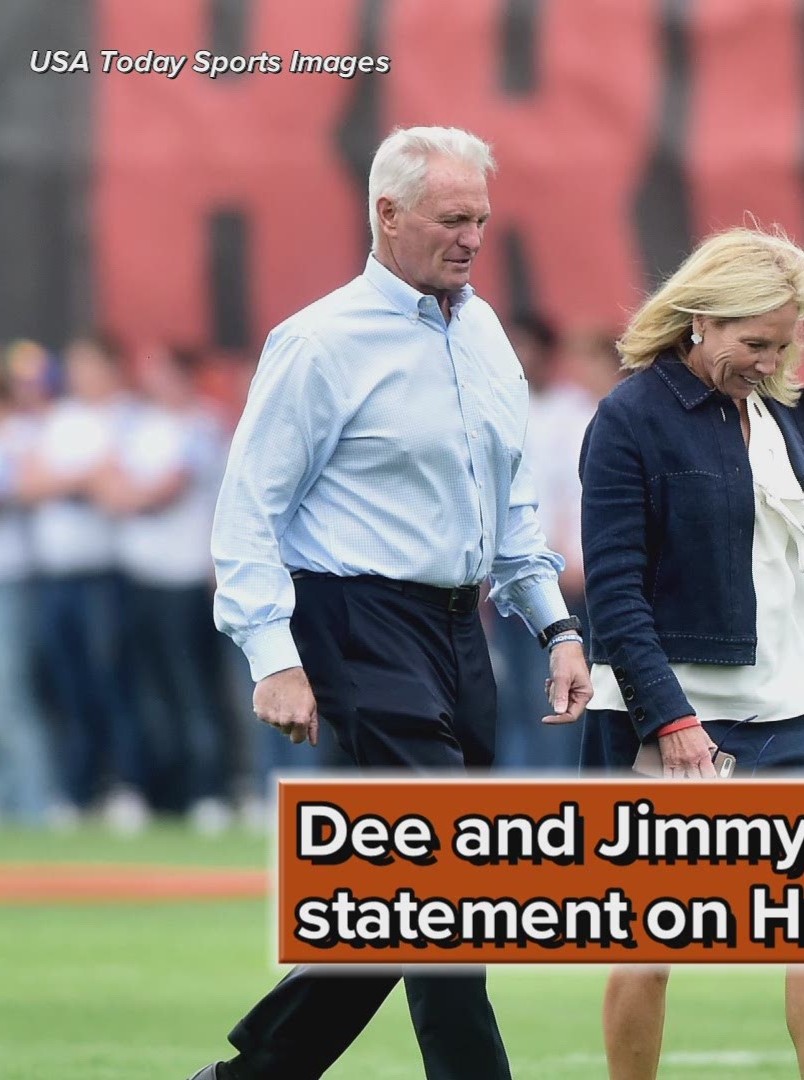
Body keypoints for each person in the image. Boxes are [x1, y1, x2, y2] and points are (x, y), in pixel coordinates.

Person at [191, 125, 592, 1080]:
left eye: (483, 221)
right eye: (454, 219)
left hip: (463, 630)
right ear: (387, 214)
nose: (472, 239)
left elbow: (512, 501)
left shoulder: (486, 330)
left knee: (412, 895)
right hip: (357, 621)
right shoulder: (319, 342)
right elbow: (248, 508)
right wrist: (272, 656)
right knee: (449, 886)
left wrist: (555, 623)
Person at [577, 225, 804, 1080]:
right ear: (699, 320)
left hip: (783, 709)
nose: (770, 359)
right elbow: (614, 590)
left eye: (784, 343)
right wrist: (668, 716)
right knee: (650, 944)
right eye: (755, 342)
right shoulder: (627, 417)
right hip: (668, 715)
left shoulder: (780, 411)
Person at [17, 334, 147, 828]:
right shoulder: (59, 420)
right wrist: (81, 478)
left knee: (112, 681)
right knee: (67, 685)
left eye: (88, 365)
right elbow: (28, 486)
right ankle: (77, 788)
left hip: (103, 572)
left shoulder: (129, 418)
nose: (78, 375)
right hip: (56, 574)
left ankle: (128, 786)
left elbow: (118, 493)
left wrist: (65, 480)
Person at [102, 344, 230, 827]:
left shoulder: (202, 425)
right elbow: (104, 480)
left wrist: (131, 494)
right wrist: (131, 492)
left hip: (182, 574)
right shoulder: (136, 424)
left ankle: (208, 790)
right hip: (137, 571)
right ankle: (154, 791)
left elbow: (167, 488)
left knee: (190, 686)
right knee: (142, 687)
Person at [488, 314, 606, 771]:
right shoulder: (498, 409)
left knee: (561, 688)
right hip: (509, 578)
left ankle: (557, 793)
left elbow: (573, 494)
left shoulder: (574, 412)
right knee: (515, 691)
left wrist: (575, 558)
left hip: (563, 577)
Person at [0, 347, 56, 825]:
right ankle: (6, 800)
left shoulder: (12, 441)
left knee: (5, 695)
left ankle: (33, 804)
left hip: (2, 582)